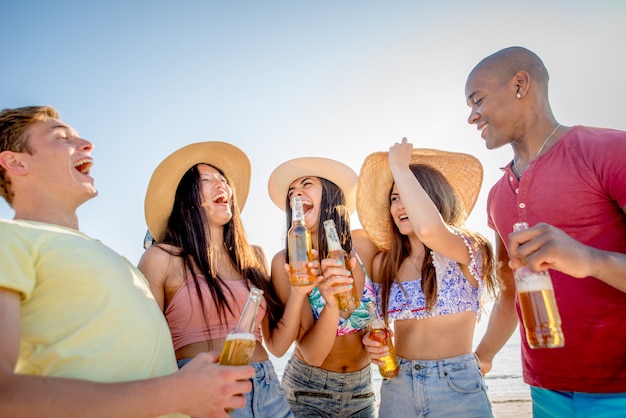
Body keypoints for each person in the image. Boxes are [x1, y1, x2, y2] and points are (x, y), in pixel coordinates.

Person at [0, 105, 254, 418]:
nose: (86, 145)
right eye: (61, 138)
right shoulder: (8, 238)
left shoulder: (109, 257)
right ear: (15, 162)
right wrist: (177, 393)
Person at [465, 46, 626, 417]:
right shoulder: (496, 197)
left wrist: (588, 259)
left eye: (477, 100)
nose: (471, 116)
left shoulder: (609, 151)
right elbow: (509, 294)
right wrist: (482, 357)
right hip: (545, 390)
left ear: (521, 84)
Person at [139, 141, 302, 418]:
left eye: (224, 180)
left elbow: (277, 344)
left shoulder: (253, 258)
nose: (222, 186)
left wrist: (299, 293)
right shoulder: (161, 257)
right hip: (203, 394)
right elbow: (146, 347)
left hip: (266, 389)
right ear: (186, 198)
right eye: (207, 179)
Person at [357, 138, 497, 417]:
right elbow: (366, 316)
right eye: (394, 198)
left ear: (434, 199)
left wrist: (399, 165)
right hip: (398, 386)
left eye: (409, 194)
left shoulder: (467, 249)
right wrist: (370, 342)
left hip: (456, 386)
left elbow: (430, 230)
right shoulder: (385, 262)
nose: (400, 205)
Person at [267, 157, 379, 417]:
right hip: (307, 392)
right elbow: (312, 353)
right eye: (292, 193)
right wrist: (330, 304)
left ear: (331, 193)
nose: (297, 194)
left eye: (307, 184)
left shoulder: (365, 245)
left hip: (363, 392)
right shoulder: (285, 263)